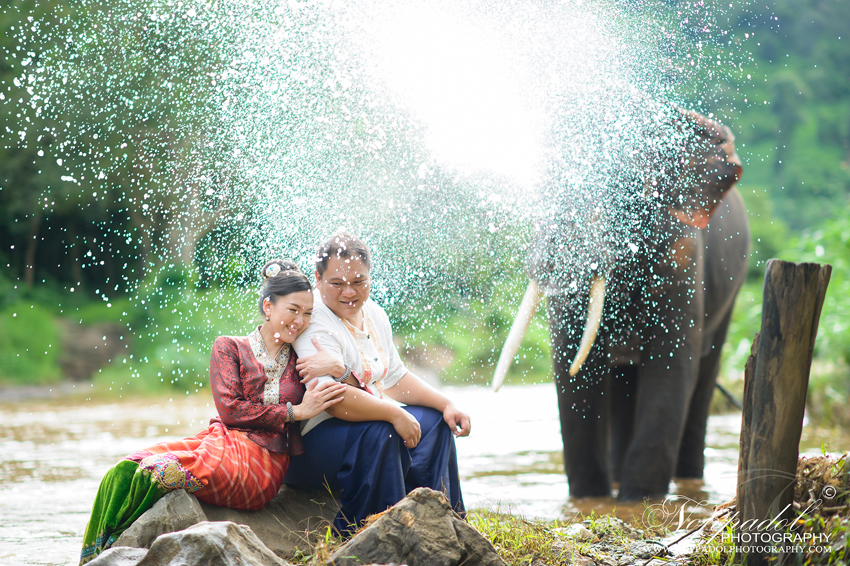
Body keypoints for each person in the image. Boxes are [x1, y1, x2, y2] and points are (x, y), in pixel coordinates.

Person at [79, 260, 347, 564]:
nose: (300, 321)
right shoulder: (229, 347)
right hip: (222, 439)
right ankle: (99, 556)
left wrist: (340, 367)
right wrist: (294, 412)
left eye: (308, 313)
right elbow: (231, 411)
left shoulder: (304, 357)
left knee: (160, 471)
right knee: (127, 469)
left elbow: (356, 390)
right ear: (268, 307)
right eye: (293, 310)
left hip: (264, 465)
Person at [285, 233, 471, 533]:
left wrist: (447, 404)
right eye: (337, 283)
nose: (349, 292)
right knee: (384, 429)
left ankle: (437, 519)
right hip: (310, 448)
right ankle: (380, 531)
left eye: (359, 282)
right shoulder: (313, 319)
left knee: (435, 421)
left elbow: (394, 377)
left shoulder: (374, 313)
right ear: (318, 279)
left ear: (370, 277)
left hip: (360, 432)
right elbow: (332, 399)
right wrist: (394, 413)